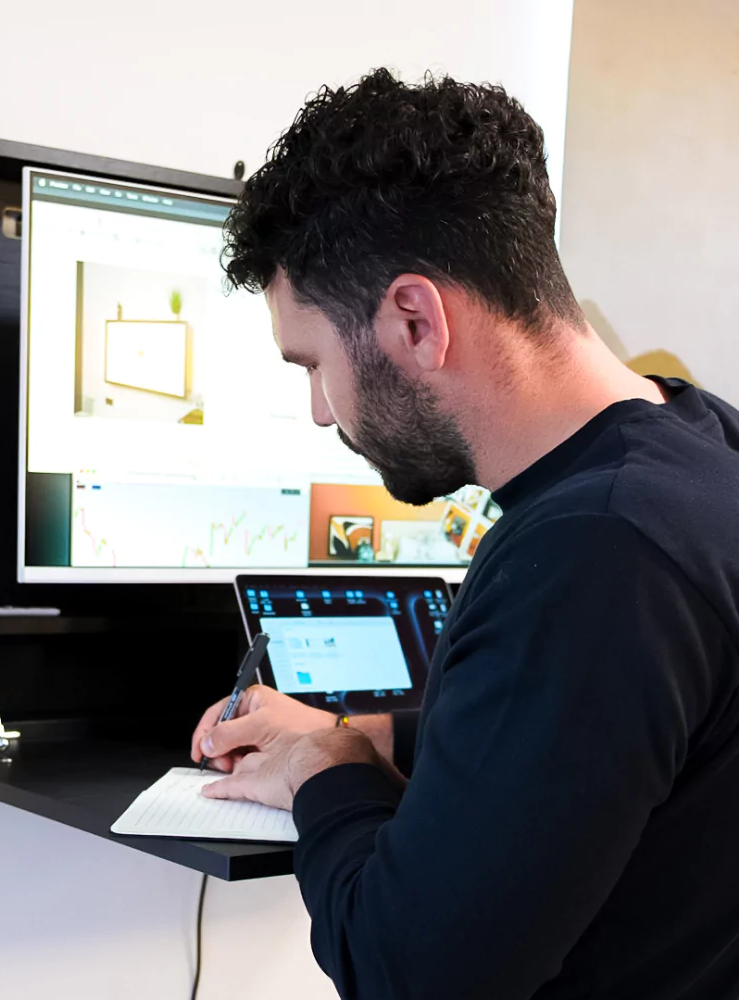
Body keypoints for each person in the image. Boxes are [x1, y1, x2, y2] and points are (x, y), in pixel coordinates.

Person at [190, 70, 739, 999]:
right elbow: (603, 733)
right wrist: (375, 733)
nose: (321, 411)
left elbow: (406, 972)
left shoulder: (593, 553)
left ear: (415, 320)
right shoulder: (703, 444)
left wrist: (328, 768)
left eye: (313, 363)